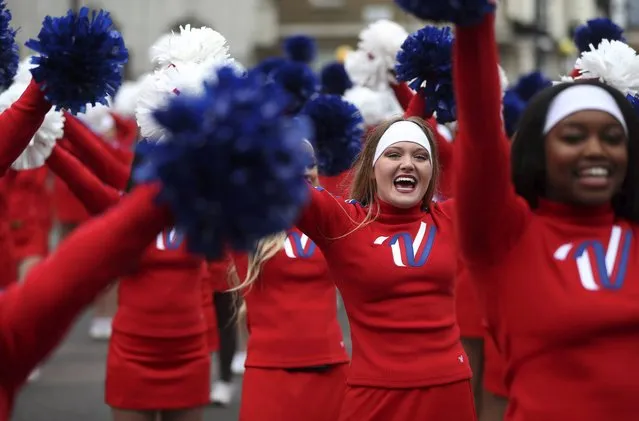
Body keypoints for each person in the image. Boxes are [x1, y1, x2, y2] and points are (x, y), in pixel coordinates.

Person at [452, 9, 639, 421]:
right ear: (540, 152)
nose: (595, 150)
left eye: (612, 138)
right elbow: (481, 133)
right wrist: (473, 22)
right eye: (573, 137)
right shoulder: (507, 240)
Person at [289, 116, 475, 420]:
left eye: (420, 157)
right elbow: (274, 175)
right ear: (372, 170)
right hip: (374, 396)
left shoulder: (453, 218)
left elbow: (500, 169)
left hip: (449, 392)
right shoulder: (343, 222)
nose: (408, 164)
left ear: (432, 172)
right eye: (393, 154)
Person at [233, 140, 349, 421]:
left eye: (310, 164)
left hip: (331, 368)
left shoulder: (335, 220)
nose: (304, 171)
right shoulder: (246, 225)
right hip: (270, 373)